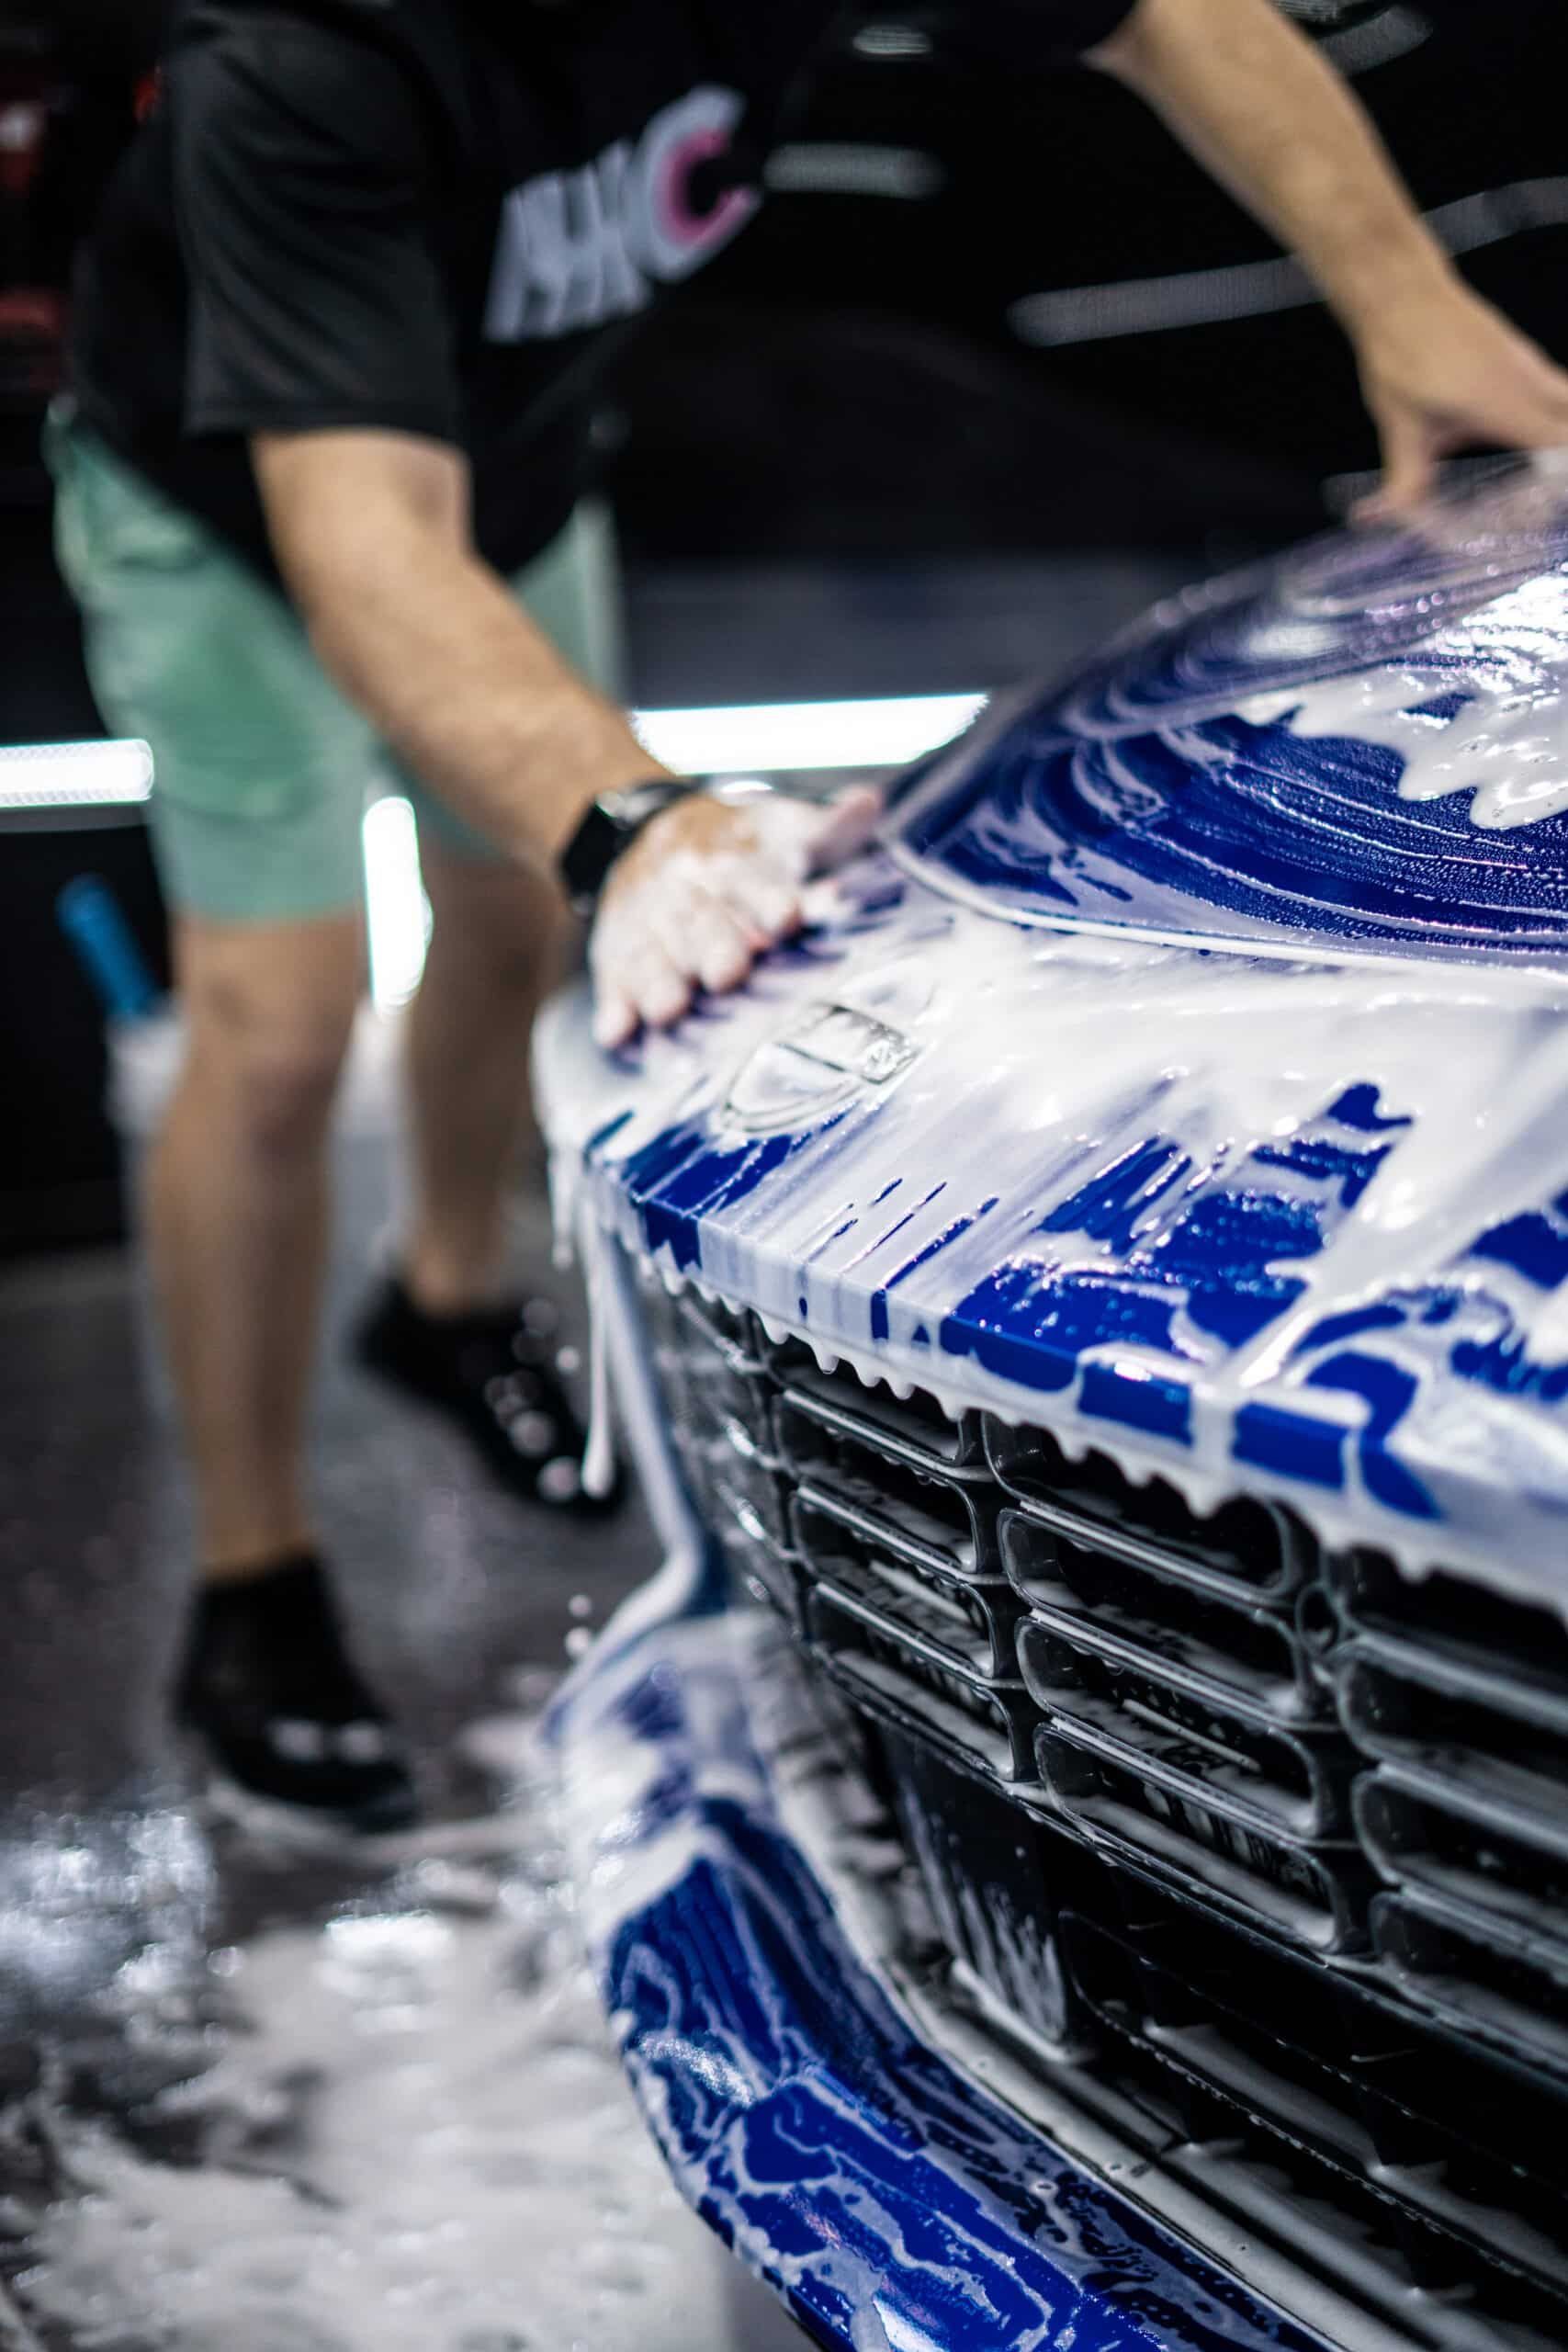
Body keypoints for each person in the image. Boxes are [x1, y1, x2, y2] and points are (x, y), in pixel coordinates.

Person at [50, 0, 1568, 1835]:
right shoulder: (300, 63)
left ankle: (441, 1291)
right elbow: (367, 549)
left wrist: (1402, 304)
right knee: (279, 1023)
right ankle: (252, 1584)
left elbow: (1169, 13)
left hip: (507, 456)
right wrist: (646, 818)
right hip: (227, 493)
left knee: (501, 907)